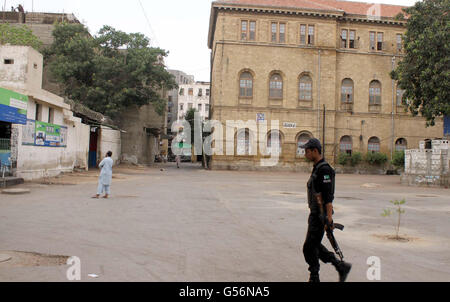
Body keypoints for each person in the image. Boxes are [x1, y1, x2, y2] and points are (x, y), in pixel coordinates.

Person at [300, 138, 352, 282]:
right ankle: (340, 266)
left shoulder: (324, 169)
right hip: (315, 214)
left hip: (320, 216)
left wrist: (328, 219)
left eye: (307, 151)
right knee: (313, 245)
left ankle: (315, 277)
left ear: (315, 151)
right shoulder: (317, 167)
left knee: (309, 247)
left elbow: (328, 198)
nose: (305, 154)